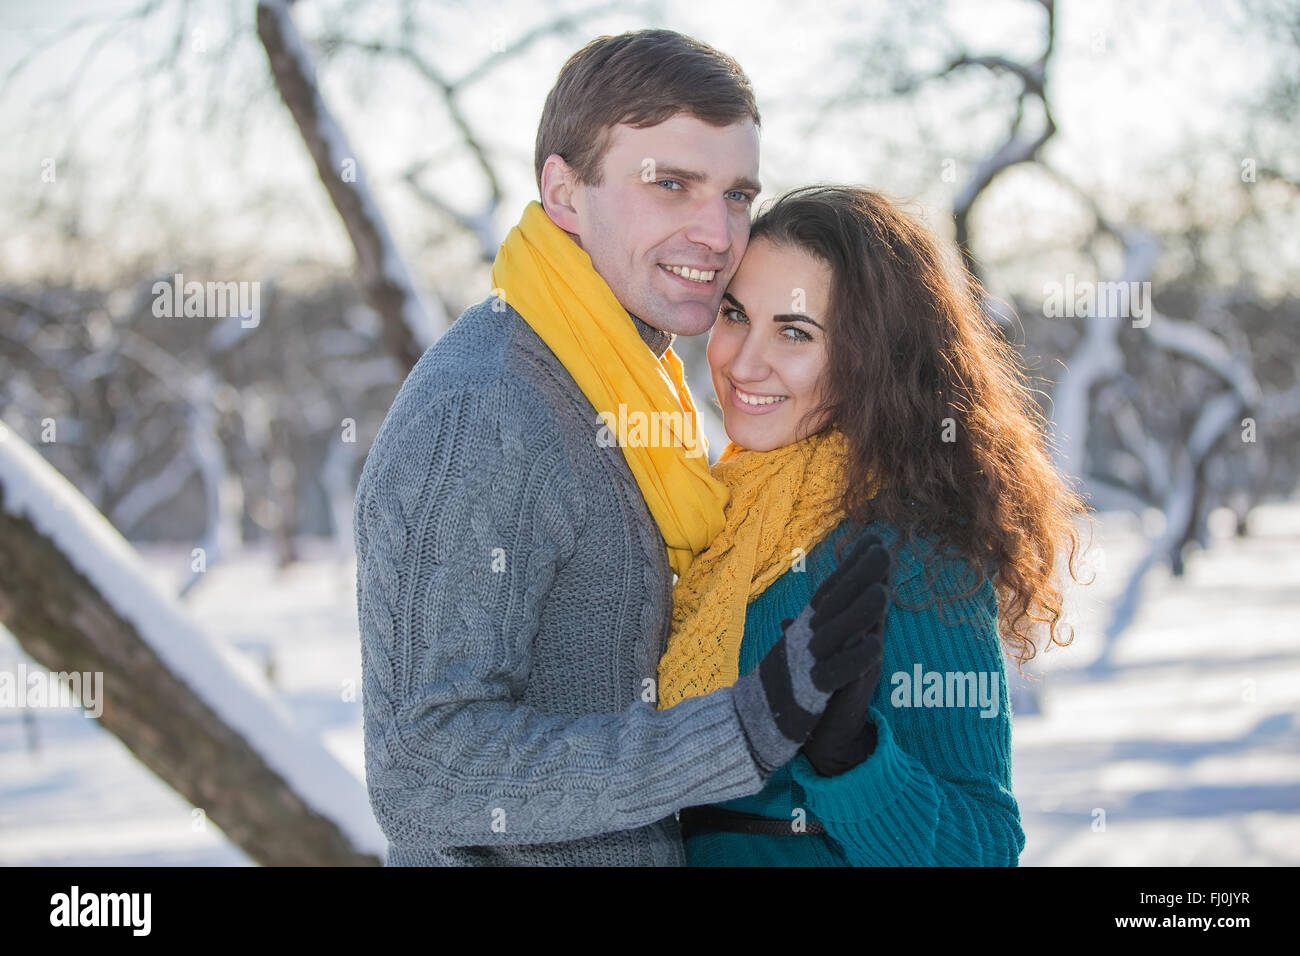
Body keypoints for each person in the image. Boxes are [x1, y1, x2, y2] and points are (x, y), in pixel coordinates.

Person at [353, 31, 889, 866]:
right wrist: (746, 725)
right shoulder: (489, 408)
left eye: (737, 194)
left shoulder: (629, 390)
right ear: (565, 193)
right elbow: (424, 765)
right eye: (671, 184)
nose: (717, 234)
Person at [659, 185, 1089, 865]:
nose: (742, 362)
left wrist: (851, 760)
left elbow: (983, 846)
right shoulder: (707, 512)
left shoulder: (909, 546)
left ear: (871, 359)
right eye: (736, 315)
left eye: (795, 332)